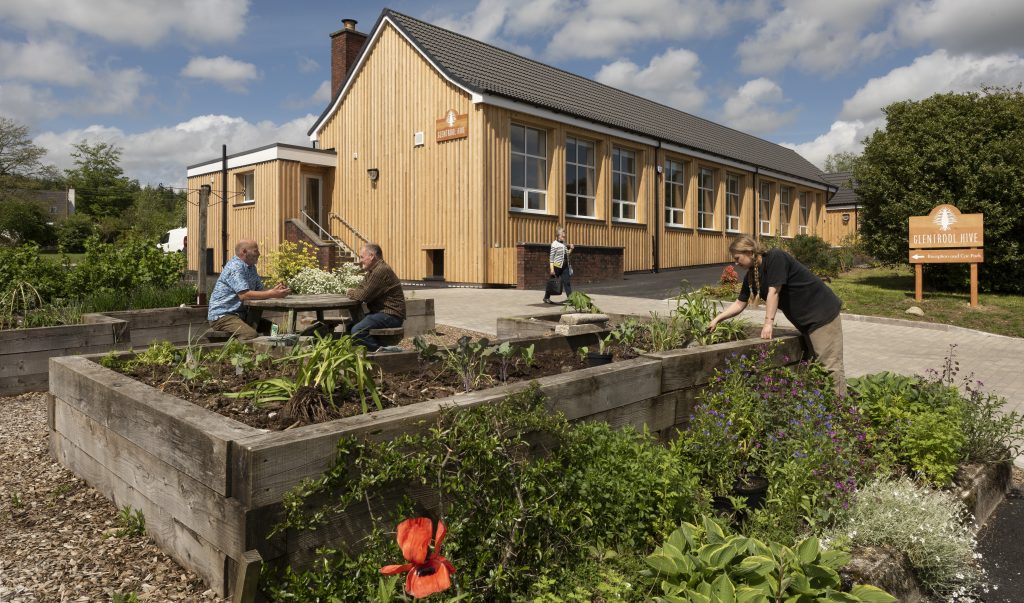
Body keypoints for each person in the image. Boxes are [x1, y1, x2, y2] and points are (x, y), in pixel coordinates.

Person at [708, 235, 846, 396]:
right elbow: (740, 303)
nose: (736, 263)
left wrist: (768, 323)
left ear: (750, 252)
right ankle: (824, 411)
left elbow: (774, 291)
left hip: (821, 314)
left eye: (738, 258)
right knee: (815, 366)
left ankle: (842, 413)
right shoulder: (752, 275)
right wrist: (717, 319)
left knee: (830, 368)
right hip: (806, 322)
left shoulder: (775, 257)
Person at [207, 239, 290, 340]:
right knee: (250, 335)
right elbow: (244, 295)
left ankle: (273, 351)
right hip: (223, 317)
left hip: (241, 315)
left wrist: (276, 290)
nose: (259, 253)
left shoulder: (251, 267)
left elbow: (259, 291)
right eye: (255, 251)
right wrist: (272, 293)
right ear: (244, 252)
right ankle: (234, 354)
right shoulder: (235, 267)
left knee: (275, 330)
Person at [346, 243, 406, 352]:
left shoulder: (380, 271)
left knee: (357, 330)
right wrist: (356, 292)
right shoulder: (373, 270)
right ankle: (363, 352)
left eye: (362, 257)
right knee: (350, 326)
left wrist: (350, 293)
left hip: (391, 315)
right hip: (382, 313)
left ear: (372, 256)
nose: (360, 261)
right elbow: (361, 288)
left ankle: (381, 351)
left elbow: (362, 296)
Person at [543, 226, 574, 304]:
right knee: (552, 282)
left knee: (567, 282)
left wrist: (571, 249)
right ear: (558, 235)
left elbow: (567, 254)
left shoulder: (564, 243)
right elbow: (551, 258)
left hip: (565, 266)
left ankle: (570, 299)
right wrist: (552, 269)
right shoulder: (554, 244)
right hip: (557, 266)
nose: (564, 235)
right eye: (563, 233)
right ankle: (546, 298)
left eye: (564, 233)